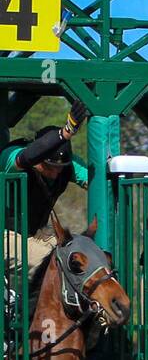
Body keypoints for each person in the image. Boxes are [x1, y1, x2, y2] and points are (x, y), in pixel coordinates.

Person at [2, 101, 90, 280]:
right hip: (5, 235)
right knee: (55, 266)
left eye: (60, 168)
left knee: (82, 261)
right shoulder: (11, 155)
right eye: (49, 167)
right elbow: (26, 157)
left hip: (37, 233)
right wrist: (65, 132)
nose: (55, 173)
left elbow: (95, 182)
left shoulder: (68, 165)